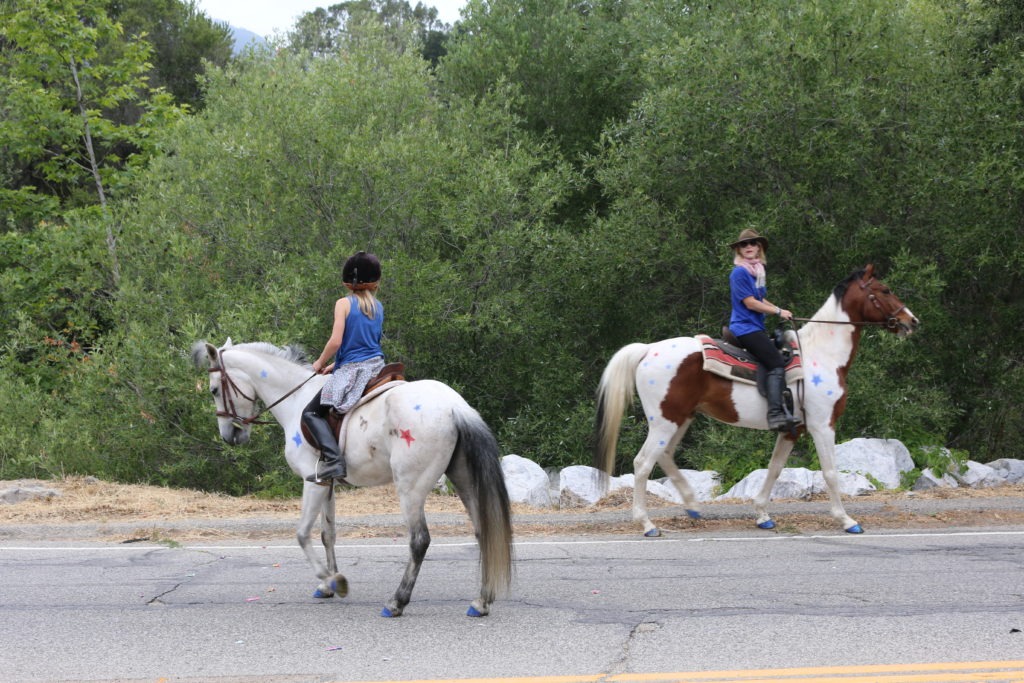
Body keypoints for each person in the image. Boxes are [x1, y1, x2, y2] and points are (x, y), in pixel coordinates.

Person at [302, 251, 385, 483]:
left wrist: (318, 363)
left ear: (349, 281)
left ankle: (334, 461)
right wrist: (335, 365)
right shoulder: (378, 307)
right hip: (376, 366)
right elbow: (368, 344)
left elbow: (336, 341)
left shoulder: (343, 304)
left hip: (353, 370)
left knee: (310, 412)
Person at [727, 228, 796, 432]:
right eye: (744, 244)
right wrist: (777, 311)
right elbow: (750, 303)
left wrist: (781, 310)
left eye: (753, 243)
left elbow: (759, 299)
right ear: (739, 250)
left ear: (759, 248)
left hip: (754, 326)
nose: (749, 247)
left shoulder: (757, 271)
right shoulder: (740, 272)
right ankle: (775, 415)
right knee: (776, 364)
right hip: (744, 327)